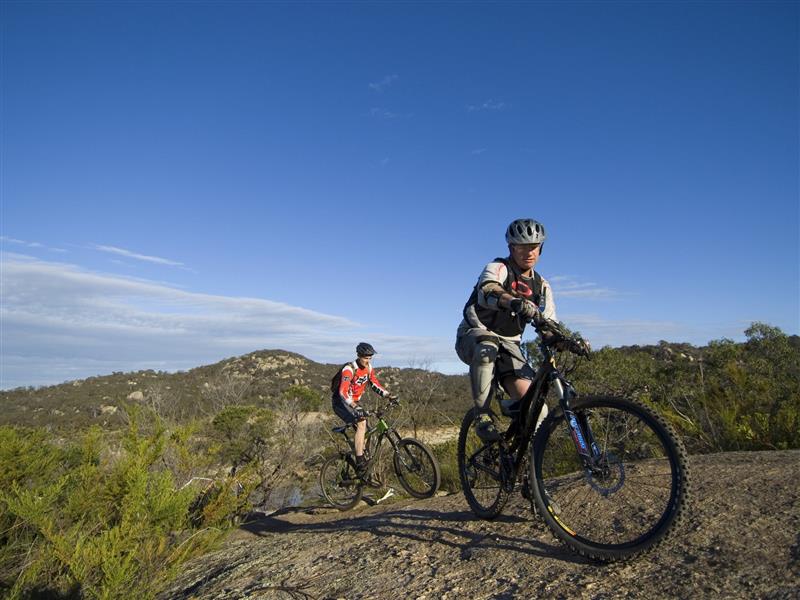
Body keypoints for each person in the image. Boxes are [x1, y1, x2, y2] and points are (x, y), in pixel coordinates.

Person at [455, 218, 558, 442]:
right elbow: (488, 288)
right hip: (474, 334)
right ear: (511, 247)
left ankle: (522, 460)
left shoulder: (542, 286)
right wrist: (512, 301)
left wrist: (562, 339)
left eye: (533, 247)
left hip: (510, 346)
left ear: (541, 248)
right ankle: (482, 416)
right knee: (487, 348)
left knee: (537, 409)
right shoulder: (498, 268)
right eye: (521, 247)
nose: (528, 252)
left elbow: (548, 324)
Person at [331, 342, 397, 475]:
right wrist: (354, 406)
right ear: (358, 355)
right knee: (362, 422)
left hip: (353, 402)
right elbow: (343, 392)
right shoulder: (349, 369)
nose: (368, 360)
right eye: (366, 357)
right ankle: (359, 460)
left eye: (370, 358)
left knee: (368, 431)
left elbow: (374, 384)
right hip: (341, 402)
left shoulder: (368, 368)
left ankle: (362, 463)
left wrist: (387, 395)